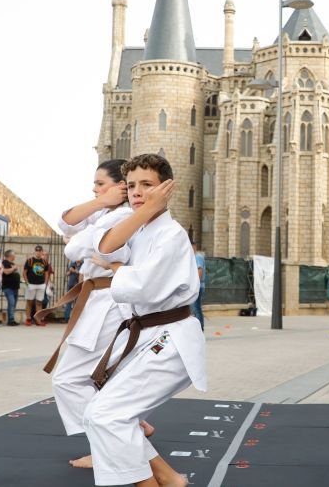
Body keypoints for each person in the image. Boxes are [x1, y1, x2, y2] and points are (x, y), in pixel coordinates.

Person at [85, 153, 205, 487]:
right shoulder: (139, 231)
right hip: (149, 338)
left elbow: (143, 286)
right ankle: (170, 480)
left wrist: (118, 270)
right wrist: (146, 212)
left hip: (169, 341)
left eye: (147, 185)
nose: (138, 192)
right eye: (132, 185)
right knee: (103, 416)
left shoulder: (171, 236)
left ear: (167, 188)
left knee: (106, 415)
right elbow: (106, 246)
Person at [42, 158, 144, 470]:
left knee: (68, 378)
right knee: (98, 376)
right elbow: (67, 223)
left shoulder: (125, 215)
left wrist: (80, 240)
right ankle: (129, 428)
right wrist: (100, 200)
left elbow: (73, 248)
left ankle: (109, 444)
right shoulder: (106, 212)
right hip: (97, 299)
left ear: (120, 187)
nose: (94, 189)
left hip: (107, 301)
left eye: (100, 184)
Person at [23, 245, 53, 326]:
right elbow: (24, 272)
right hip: (31, 284)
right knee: (29, 302)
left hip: (41, 284)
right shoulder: (30, 261)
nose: (38, 252)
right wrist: (27, 283)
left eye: (40, 251)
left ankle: (38, 319)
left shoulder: (44, 262)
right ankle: (28, 318)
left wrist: (45, 283)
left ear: (42, 252)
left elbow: (47, 273)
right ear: (35, 251)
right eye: (37, 251)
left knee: (39, 302)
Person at [1, 249, 21, 326]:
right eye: (14, 254)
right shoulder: (5, 262)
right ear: (10, 255)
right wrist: (13, 268)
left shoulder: (12, 263)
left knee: (13, 304)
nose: (15, 256)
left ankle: (11, 319)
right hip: (8, 287)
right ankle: (10, 320)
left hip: (15, 287)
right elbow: (5, 272)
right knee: (11, 303)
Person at [192, 242, 205, 331]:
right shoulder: (194, 257)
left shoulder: (198, 257)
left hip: (198, 286)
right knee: (196, 308)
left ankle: (200, 327)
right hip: (197, 286)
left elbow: (199, 272)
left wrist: (195, 284)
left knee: (196, 308)